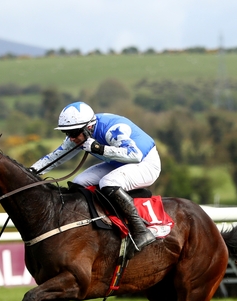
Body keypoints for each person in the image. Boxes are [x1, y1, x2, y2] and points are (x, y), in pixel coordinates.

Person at [31, 101, 159, 253]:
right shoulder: (80, 132)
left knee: (108, 182)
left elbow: (135, 155)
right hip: (118, 163)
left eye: (73, 133)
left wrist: (99, 148)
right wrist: (32, 171)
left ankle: (141, 230)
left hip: (145, 163)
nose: (71, 138)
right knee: (79, 182)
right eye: (67, 133)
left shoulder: (112, 130)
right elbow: (55, 157)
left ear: (89, 128)